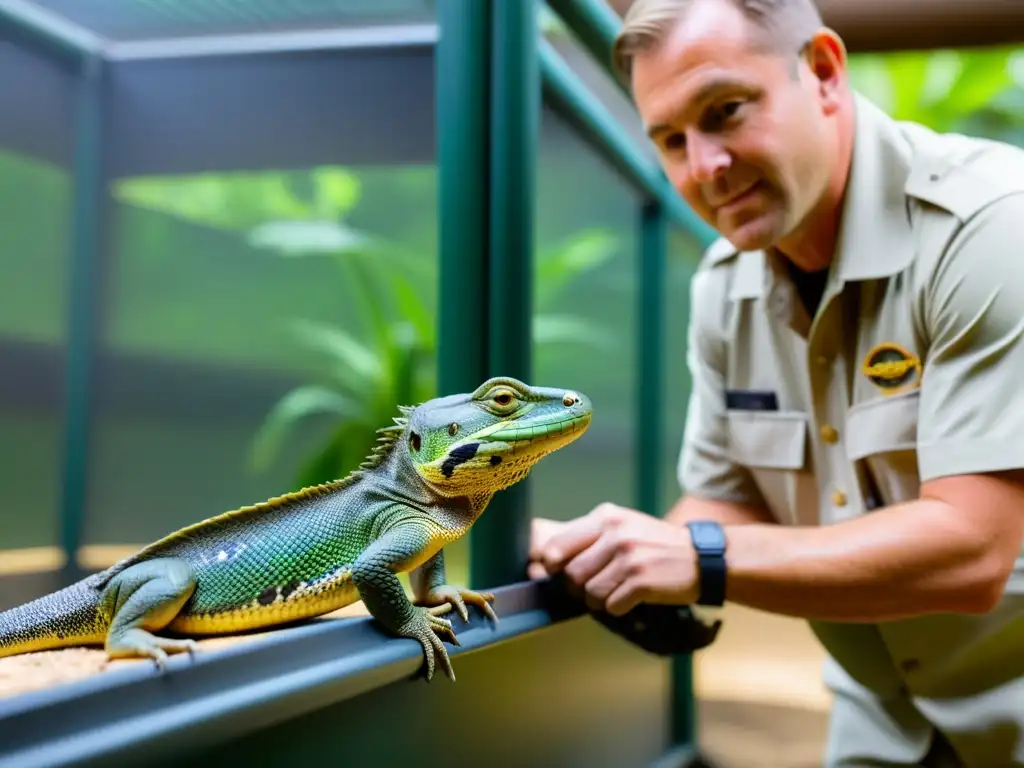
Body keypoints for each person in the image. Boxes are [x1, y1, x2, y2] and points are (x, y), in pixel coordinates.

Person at [527, 0, 1024, 765]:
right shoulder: (725, 287)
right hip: (885, 725)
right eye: (669, 140)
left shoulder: (992, 228)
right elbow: (726, 504)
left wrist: (700, 557)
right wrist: (599, 550)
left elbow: (972, 550)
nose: (703, 168)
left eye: (724, 111)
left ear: (823, 72)